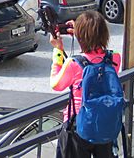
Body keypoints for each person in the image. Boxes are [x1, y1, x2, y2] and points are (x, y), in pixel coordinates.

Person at [50, 10, 122, 158]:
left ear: (80, 36)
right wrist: (83, 31)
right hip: (105, 122)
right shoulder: (114, 58)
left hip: (78, 125)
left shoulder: (74, 64)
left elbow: (56, 84)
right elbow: (96, 55)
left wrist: (58, 51)